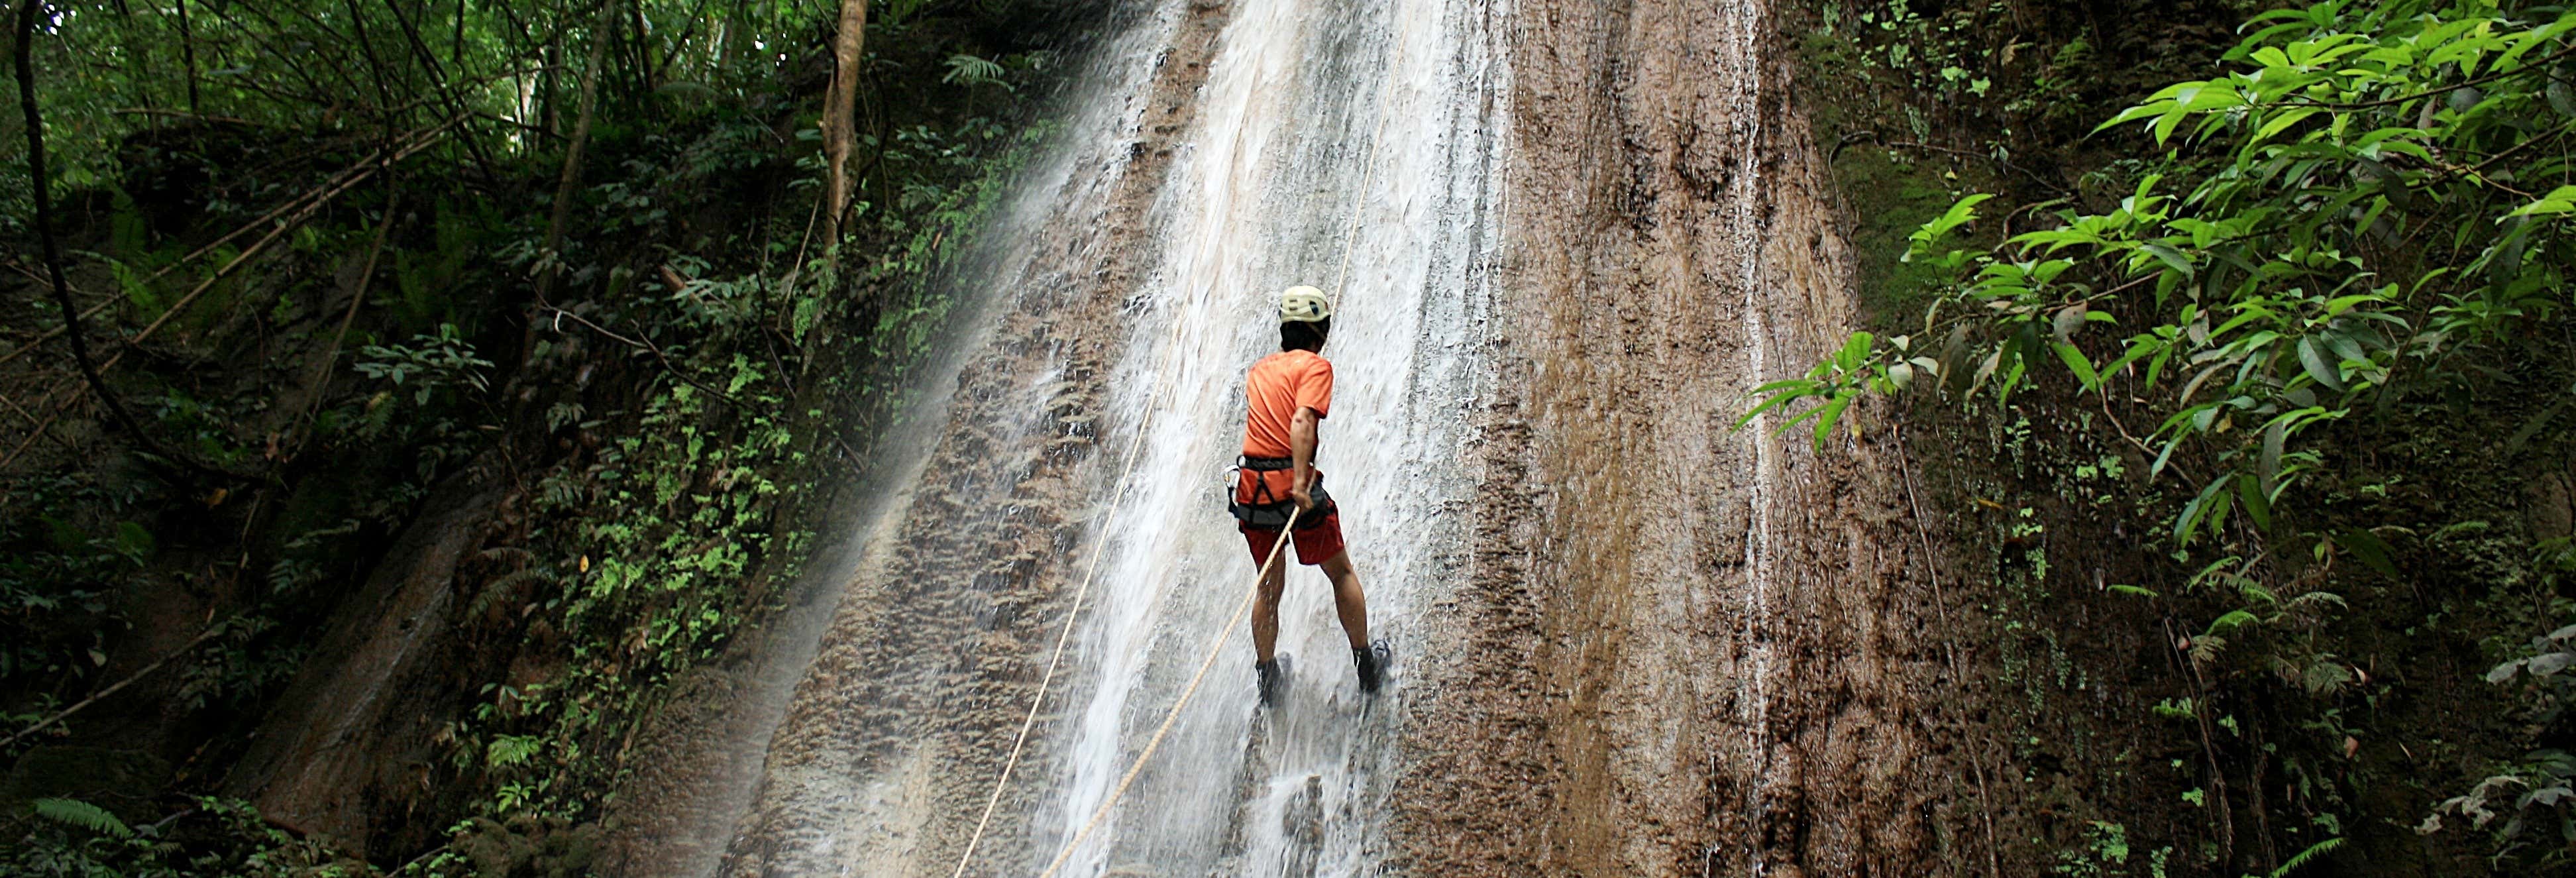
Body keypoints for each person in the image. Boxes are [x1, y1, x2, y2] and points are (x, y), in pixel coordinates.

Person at [1230, 285, 1390, 706]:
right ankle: (1367, 667)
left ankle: (1268, 682)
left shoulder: (1259, 370)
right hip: (1289, 486)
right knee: (1340, 573)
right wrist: (1301, 483)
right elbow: (1302, 420)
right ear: (1322, 330)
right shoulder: (1316, 367)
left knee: (1268, 587)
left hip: (1252, 491)